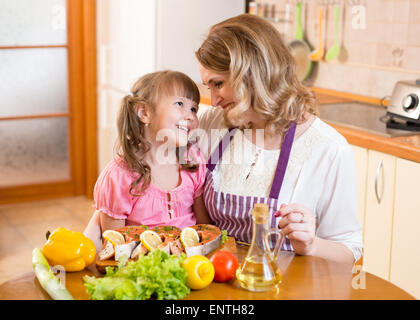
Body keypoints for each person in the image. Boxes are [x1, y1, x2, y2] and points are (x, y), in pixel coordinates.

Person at [194, 14, 362, 264]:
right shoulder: (213, 123)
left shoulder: (328, 148)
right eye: (209, 86)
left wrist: (311, 245)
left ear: (252, 73)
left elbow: (350, 251)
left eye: (218, 84)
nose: (214, 100)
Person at [84, 70, 210, 251]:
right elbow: (114, 248)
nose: (191, 115)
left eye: (193, 109)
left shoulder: (192, 161)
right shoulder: (118, 176)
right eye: (180, 104)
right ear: (144, 112)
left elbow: (204, 229)